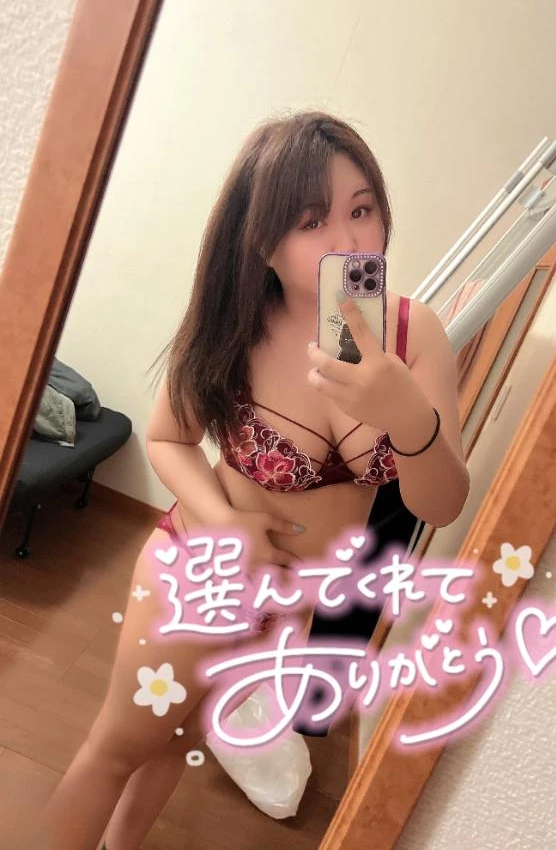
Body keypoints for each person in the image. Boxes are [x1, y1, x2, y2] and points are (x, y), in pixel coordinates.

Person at [38, 111, 470, 850]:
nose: (348, 240)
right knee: (117, 747)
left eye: (362, 209)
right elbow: (168, 437)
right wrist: (224, 522)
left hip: (287, 605)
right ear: (264, 241)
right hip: (201, 574)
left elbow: (443, 502)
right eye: (312, 221)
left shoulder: (413, 334)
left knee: (182, 737)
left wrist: (407, 415)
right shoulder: (236, 325)